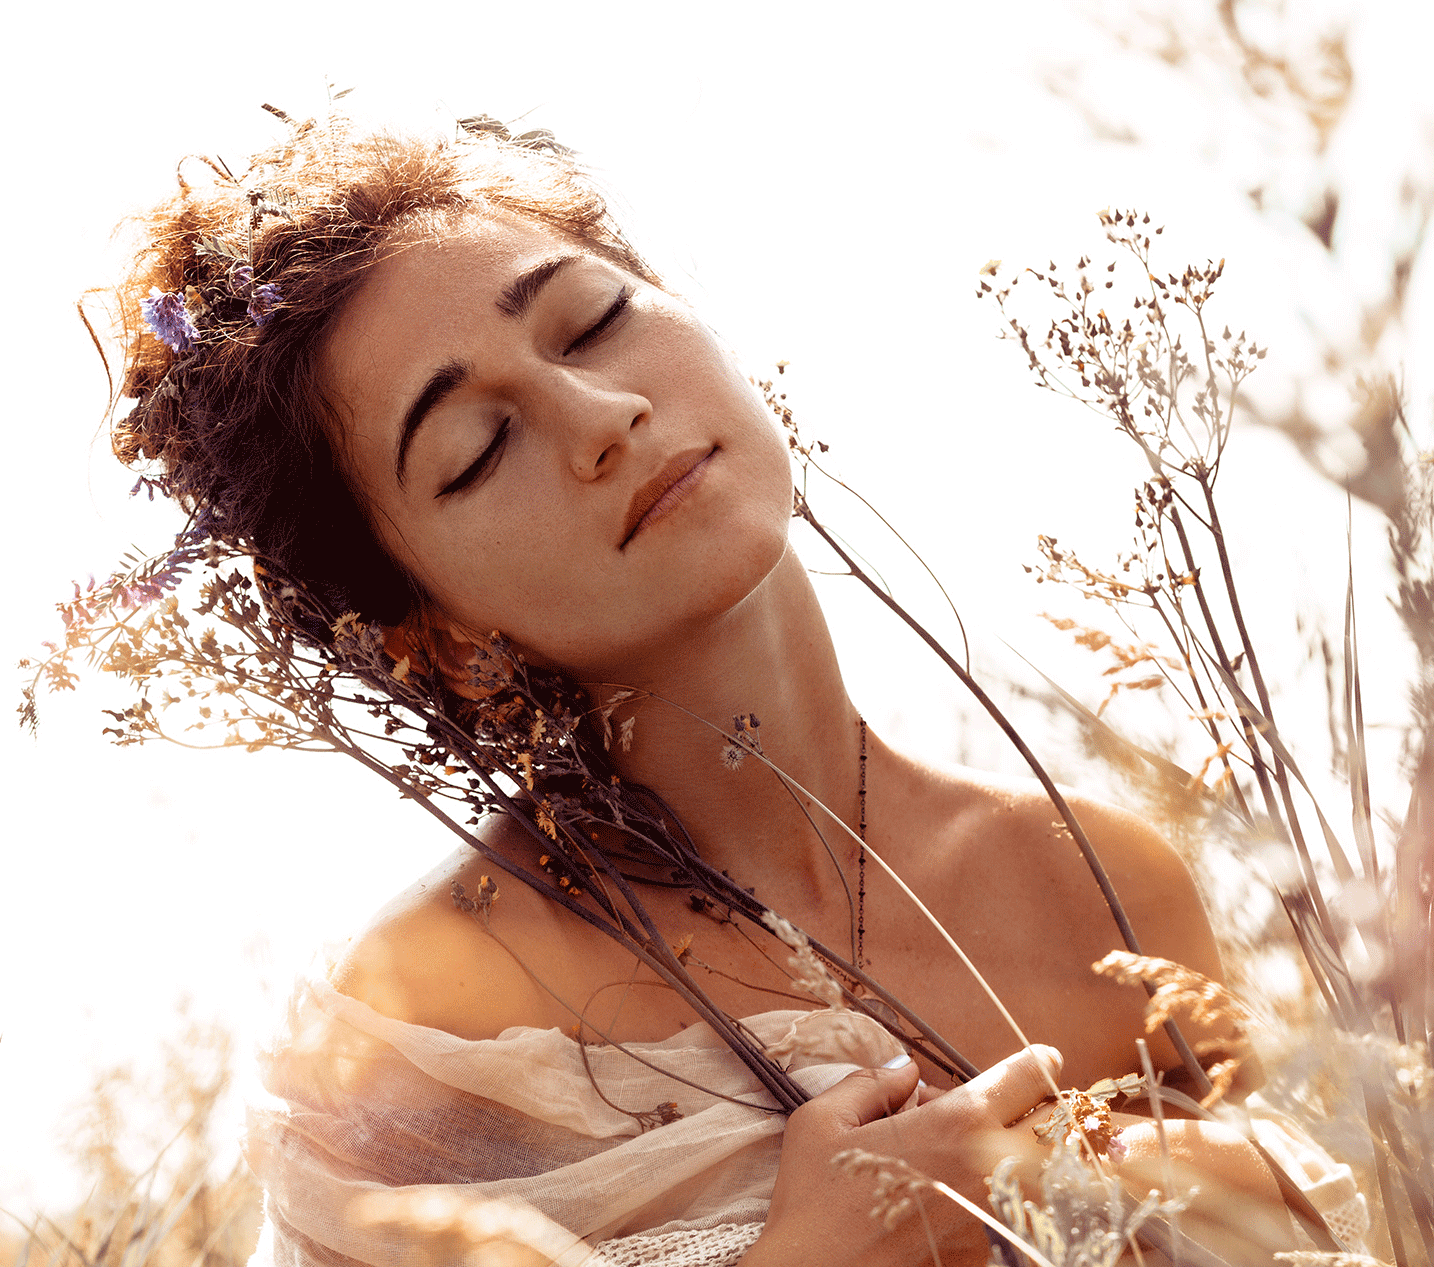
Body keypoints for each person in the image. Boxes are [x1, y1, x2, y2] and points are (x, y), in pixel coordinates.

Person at [98, 114, 1347, 1266]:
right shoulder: (421, 1031)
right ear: (436, 633)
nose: (599, 414)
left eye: (592, 321)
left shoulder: (1096, 882)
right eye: (477, 447)